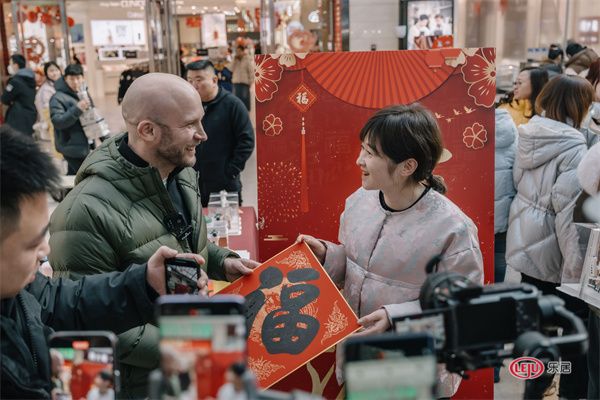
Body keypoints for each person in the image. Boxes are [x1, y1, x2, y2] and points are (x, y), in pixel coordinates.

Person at [48, 72, 259, 397]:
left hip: (189, 361)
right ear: (147, 130)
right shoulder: (85, 211)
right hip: (145, 383)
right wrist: (190, 349)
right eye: (190, 125)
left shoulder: (181, 171)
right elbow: (88, 315)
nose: (202, 135)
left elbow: (181, 244)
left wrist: (222, 261)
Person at [0, 125, 208, 399]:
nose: (45, 250)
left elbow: (58, 302)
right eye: (31, 244)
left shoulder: (17, 289)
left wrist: (143, 284)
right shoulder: (88, 207)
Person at [297, 104, 483, 398]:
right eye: (362, 149)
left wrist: (396, 317)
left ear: (407, 166)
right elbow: (356, 266)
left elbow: (464, 309)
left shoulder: (453, 229)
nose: (359, 160)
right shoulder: (359, 201)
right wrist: (326, 254)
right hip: (361, 357)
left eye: (371, 154)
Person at [506, 75, 596, 399]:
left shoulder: (528, 133)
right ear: (578, 105)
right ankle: (566, 392)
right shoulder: (574, 146)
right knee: (573, 339)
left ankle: (534, 390)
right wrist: (577, 275)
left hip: (527, 247)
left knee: (537, 335)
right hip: (556, 256)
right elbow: (568, 215)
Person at [186, 60, 255, 206]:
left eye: (199, 80)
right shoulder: (187, 107)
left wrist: (231, 170)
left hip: (224, 185)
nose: (193, 85)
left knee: (228, 225)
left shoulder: (232, 105)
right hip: (193, 184)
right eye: (190, 80)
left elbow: (246, 140)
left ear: (214, 80)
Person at [49, 63, 92, 175]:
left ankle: (67, 192)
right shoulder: (57, 98)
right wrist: (77, 109)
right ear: (65, 79)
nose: (75, 82)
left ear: (83, 78)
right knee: (82, 178)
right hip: (70, 146)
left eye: (78, 78)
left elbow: (94, 116)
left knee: (74, 176)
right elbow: (58, 121)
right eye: (72, 79)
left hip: (85, 144)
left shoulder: (83, 93)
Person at [493, 108, 518, 284]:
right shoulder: (510, 130)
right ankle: (494, 303)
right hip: (502, 216)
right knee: (499, 261)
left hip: (470, 212)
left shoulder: (464, 128)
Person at [1, 54, 37, 136]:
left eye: (10, 64)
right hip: (30, 114)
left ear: (16, 65)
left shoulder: (15, 81)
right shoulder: (31, 78)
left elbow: (4, 99)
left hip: (18, 118)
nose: (9, 66)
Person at [34, 62, 62, 145]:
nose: (54, 73)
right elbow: (46, 109)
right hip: (54, 122)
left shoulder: (61, 83)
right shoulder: (45, 89)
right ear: (46, 73)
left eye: (56, 70)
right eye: (51, 71)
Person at [230, 45, 254, 111]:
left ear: (243, 51)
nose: (238, 53)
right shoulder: (234, 60)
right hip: (236, 82)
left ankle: (245, 113)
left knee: (245, 99)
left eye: (239, 51)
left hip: (244, 83)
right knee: (236, 99)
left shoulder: (247, 59)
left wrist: (251, 82)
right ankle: (238, 112)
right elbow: (230, 69)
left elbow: (251, 72)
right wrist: (234, 60)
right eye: (237, 51)